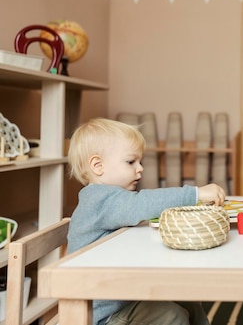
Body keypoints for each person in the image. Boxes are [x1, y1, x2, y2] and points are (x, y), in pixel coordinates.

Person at [67, 117, 226, 325]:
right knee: (171, 316)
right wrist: (195, 194)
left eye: (139, 161)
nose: (140, 168)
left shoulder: (113, 199)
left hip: (122, 301)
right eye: (131, 162)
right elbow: (143, 203)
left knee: (188, 303)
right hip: (99, 316)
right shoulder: (99, 199)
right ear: (98, 166)